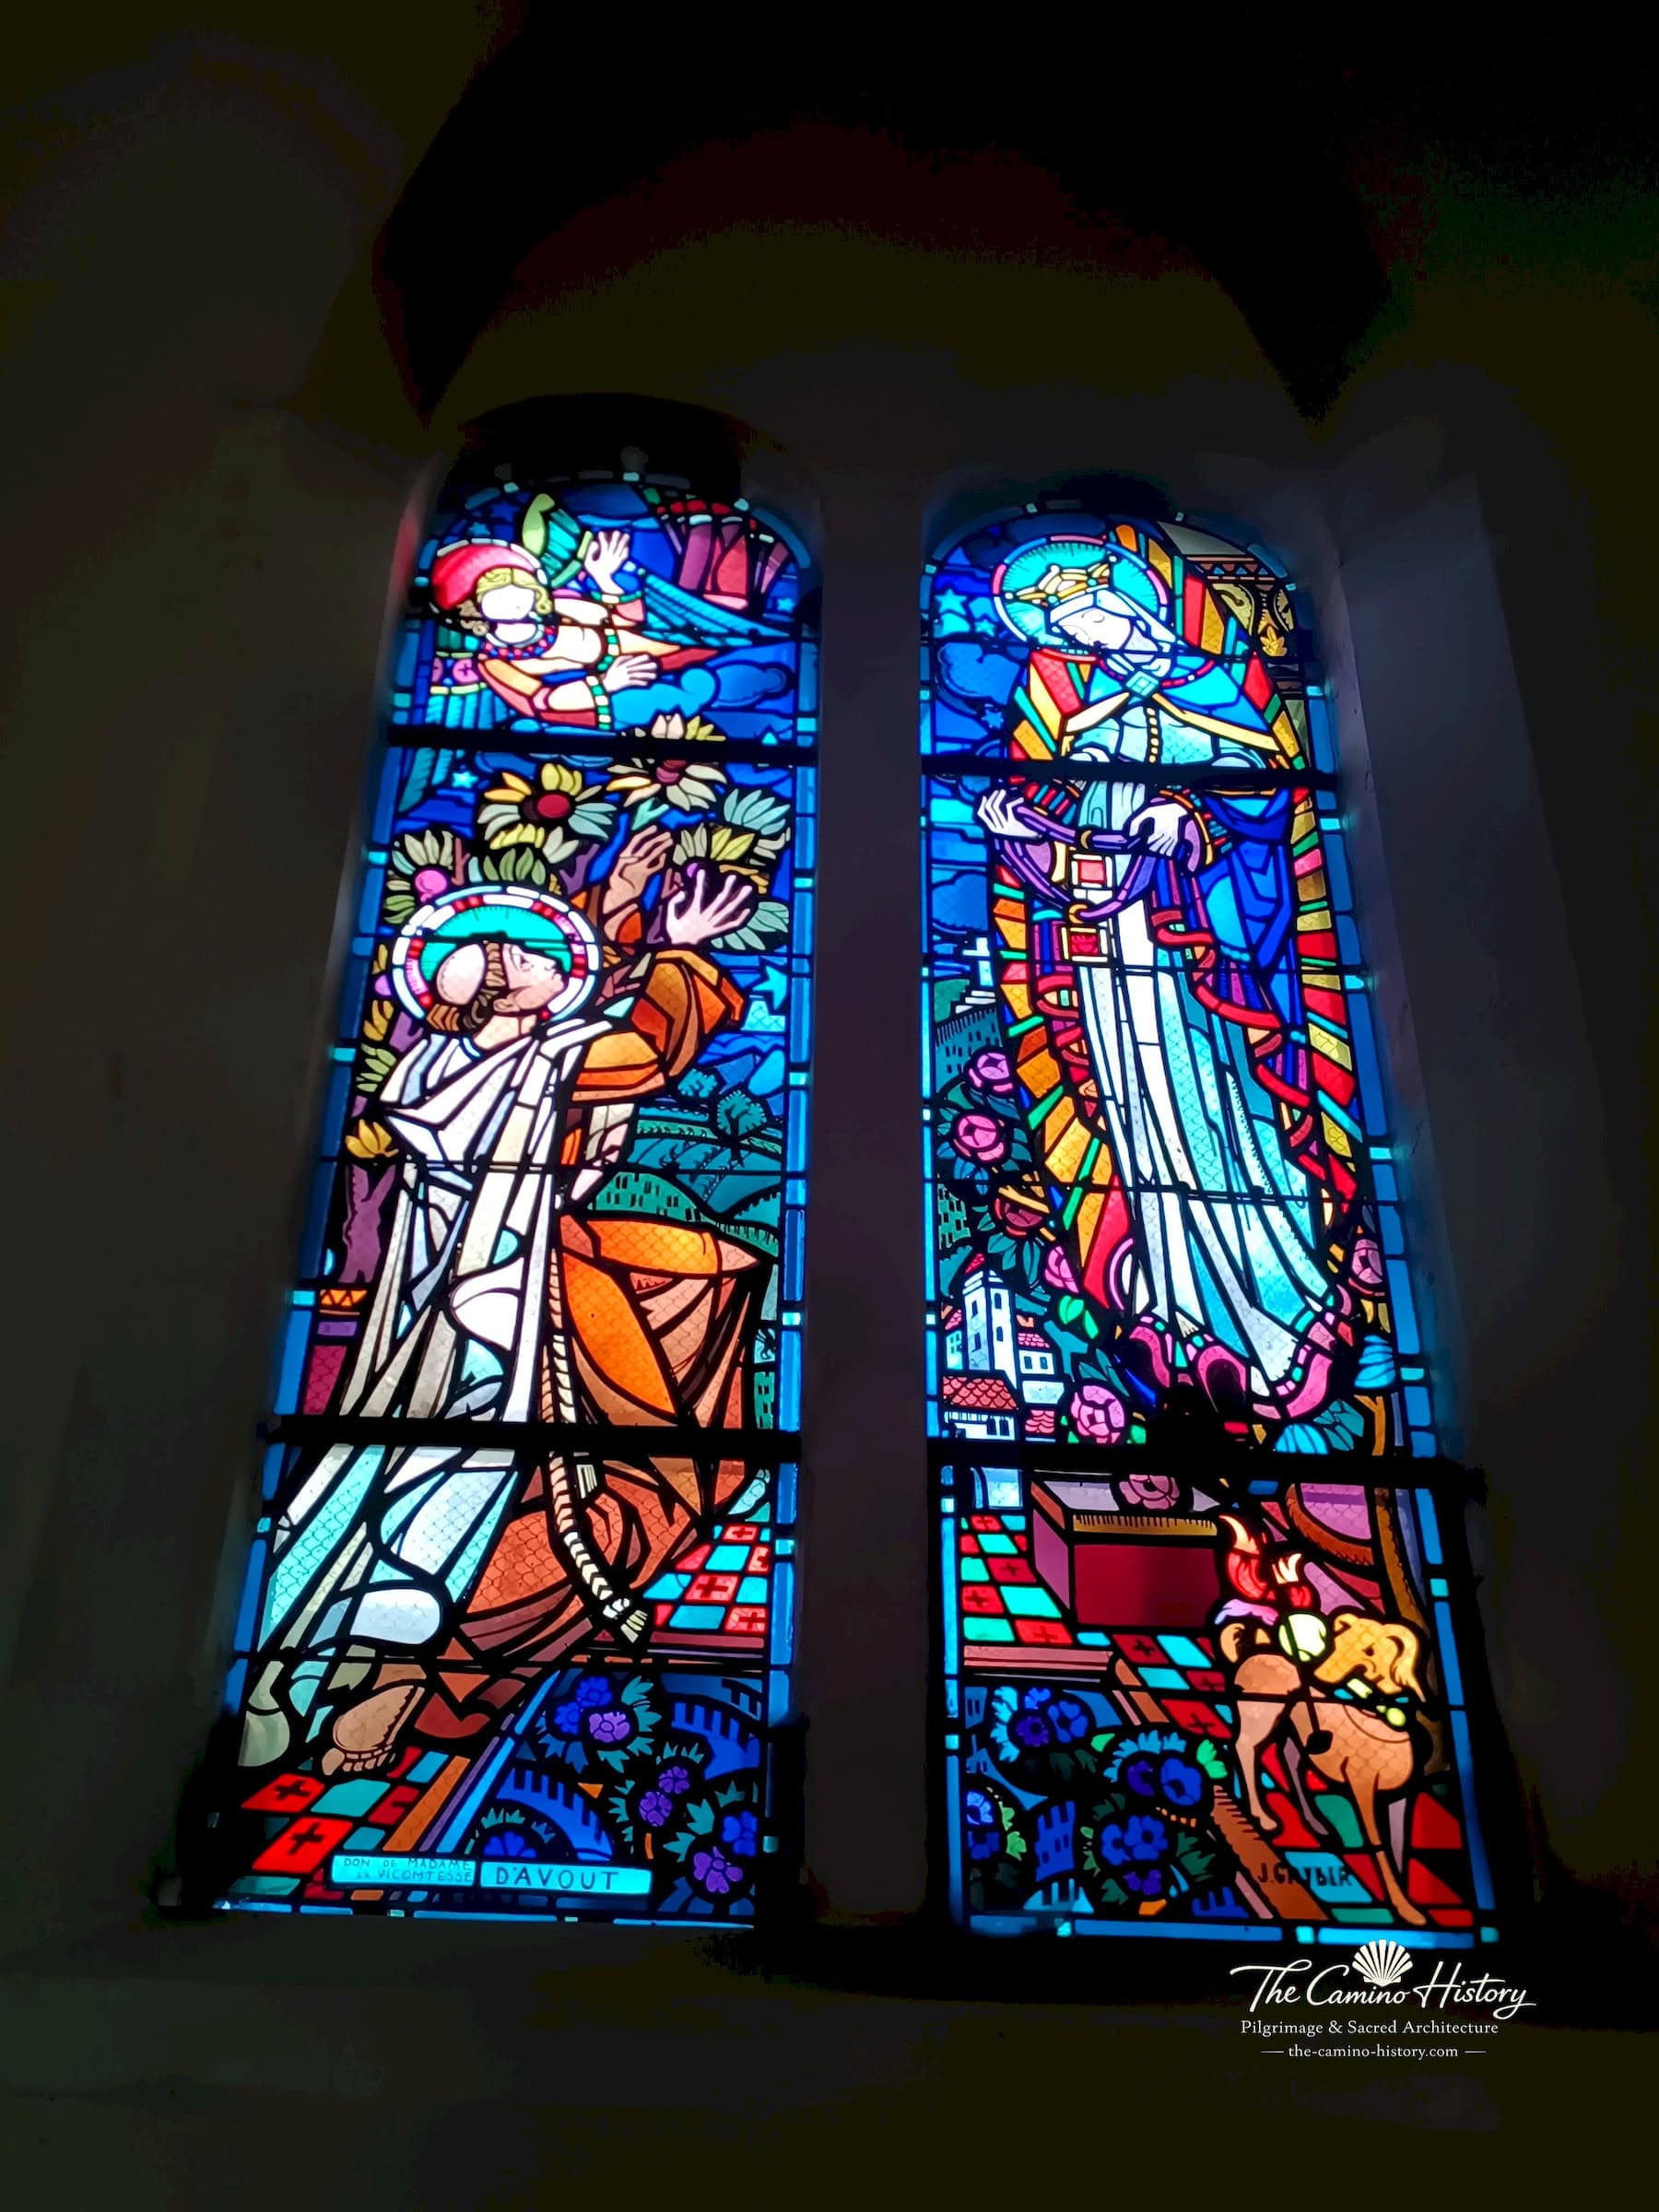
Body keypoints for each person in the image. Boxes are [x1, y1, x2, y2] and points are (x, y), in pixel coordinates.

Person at [243, 860, 763, 1776]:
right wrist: (680, 952)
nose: (550, 961)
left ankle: (307, 1678)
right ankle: (375, 1682)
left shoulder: (440, 1064)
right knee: (453, 1489)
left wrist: (626, 915)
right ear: (497, 994)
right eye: (525, 960)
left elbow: (589, 1017)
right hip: (492, 1315)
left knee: (372, 1483)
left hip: (430, 1307)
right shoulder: (539, 1065)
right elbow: (644, 1054)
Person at [977, 535, 1363, 1430]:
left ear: (1131, 604)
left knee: (1217, 1110)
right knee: (1140, 1116)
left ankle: (1279, 1281)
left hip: (1198, 955)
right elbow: (1082, 846)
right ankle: (1176, 1289)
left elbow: (1267, 801)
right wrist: (1021, 827)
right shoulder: (1093, 715)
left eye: (1093, 618)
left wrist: (1185, 816)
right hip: (1113, 958)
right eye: (1070, 632)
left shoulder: (1212, 689)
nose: (1088, 640)